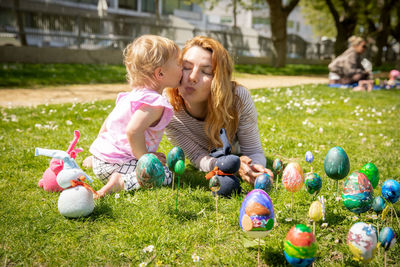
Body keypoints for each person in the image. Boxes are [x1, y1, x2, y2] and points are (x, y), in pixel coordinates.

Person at [165, 36, 271, 186]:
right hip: (213, 159)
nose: (193, 77)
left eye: (206, 72)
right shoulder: (167, 110)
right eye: (187, 67)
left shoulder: (238, 99)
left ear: (219, 81)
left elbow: (254, 152)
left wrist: (254, 168)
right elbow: (197, 156)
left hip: (236, 149)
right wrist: (228, 165)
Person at [87, 35, 182, 198]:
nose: (182, 68)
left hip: (101, 162)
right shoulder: (154, 103)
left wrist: (98, 155)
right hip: (117, 165)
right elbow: (133, 131)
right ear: (160, 73)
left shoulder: (130, 97)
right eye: (178, 63)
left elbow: (106, 126)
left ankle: (98, 164)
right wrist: (145, 158)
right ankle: (120, 183)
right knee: (167, 175)